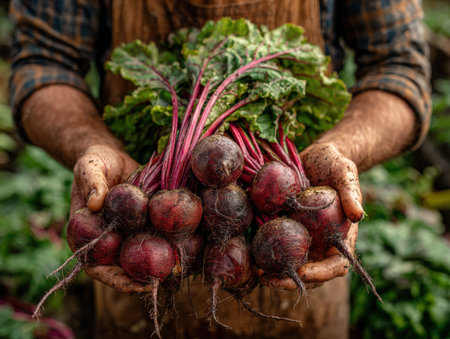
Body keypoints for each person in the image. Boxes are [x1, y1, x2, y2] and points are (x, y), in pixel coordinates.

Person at [9, 0, 431, 338]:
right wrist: (92, 147)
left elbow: (400, 68)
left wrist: (339, 150)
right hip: (138, 239)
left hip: (300, 245)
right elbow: (44, 64)